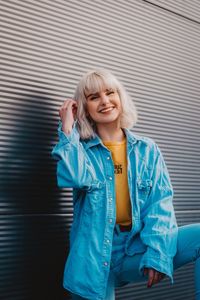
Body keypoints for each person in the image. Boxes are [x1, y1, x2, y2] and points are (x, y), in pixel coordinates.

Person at [51, 69, 200, 300]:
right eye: (93, 97)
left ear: (120, 97)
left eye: (110, 92)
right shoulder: (80, 151)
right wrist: (68, 129)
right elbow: (74, 176)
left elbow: (159, 205)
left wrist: (158, 254)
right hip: (93, 255)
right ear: (85, 108)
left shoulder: (147, 150)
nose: (105, 101)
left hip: (136, 247)